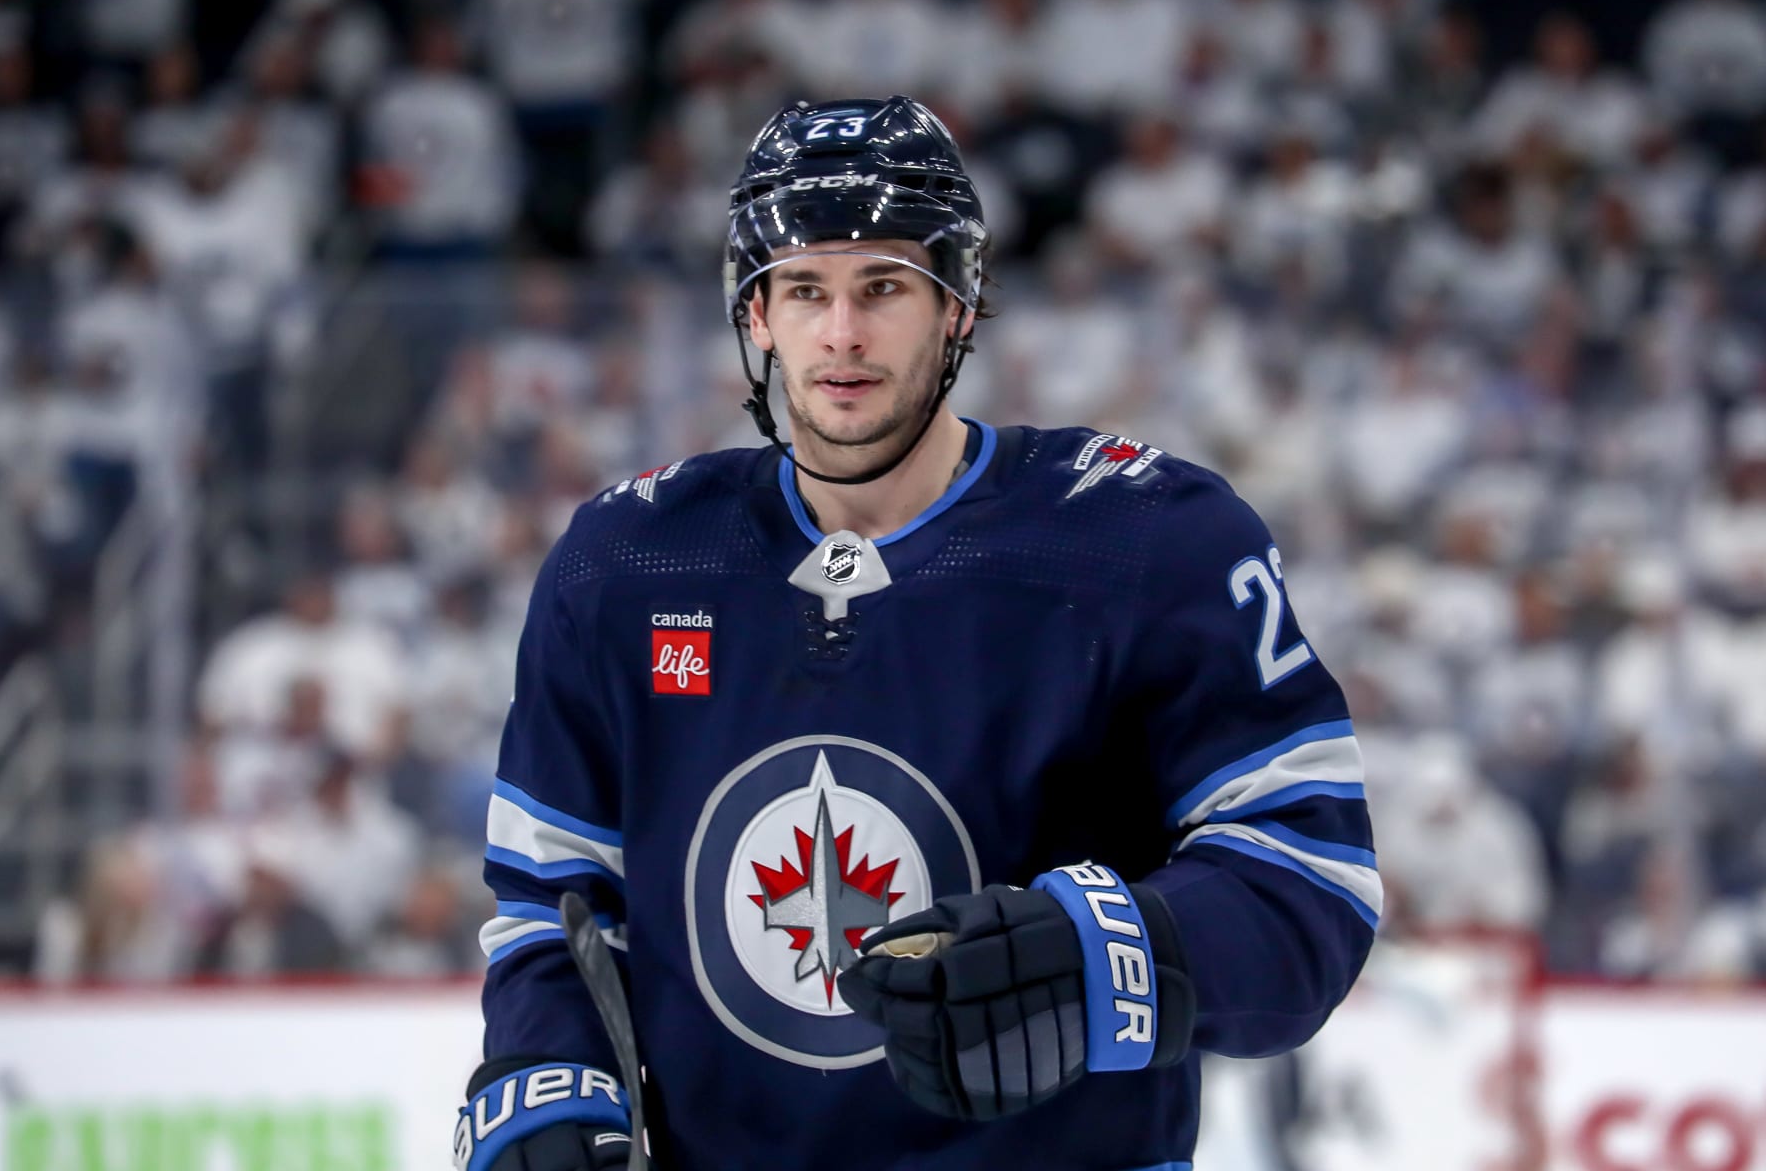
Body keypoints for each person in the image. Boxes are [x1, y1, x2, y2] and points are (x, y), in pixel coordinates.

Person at [457, 96, 1377, 1171]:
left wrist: (1101, 955)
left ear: (959, 306)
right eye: (806, 289)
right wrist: (546, 1085)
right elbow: (554, 901)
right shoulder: (627, 563)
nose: (842, 334)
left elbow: (1311, 883)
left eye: (884, 286)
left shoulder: (1147, 539)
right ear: (757, 315)